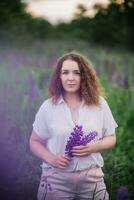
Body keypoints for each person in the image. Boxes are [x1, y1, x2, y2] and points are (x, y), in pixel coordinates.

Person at [30, 51, 118, 200]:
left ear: (84, 76)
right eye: (65, 72)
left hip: (92, 180)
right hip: (56, 180)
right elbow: (34, 141)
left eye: (76, 73)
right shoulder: (48, 107)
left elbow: (111, 137)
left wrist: (93, 147)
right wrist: (51, 158)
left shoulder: (99, 103)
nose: (71, 78)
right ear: (59, 77)